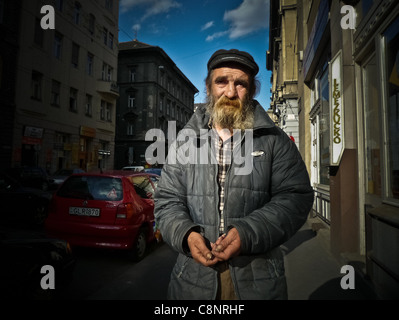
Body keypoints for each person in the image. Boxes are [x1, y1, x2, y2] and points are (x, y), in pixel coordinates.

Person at [154, 49, 314, 300]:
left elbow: (296, 197)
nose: (230, 92)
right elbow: (166, 200)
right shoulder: (185, 141)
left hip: (256, 279)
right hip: (192, 281)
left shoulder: (274, 140)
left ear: (251, 91)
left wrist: (248, 233)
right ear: (208, 87)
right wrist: (185, 234)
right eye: (222, 82)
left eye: (240, 84)